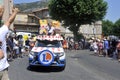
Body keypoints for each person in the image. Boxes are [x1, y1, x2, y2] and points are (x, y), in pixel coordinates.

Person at [0, 5, 19, 80]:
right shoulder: (1, 31)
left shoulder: (2, 31)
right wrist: (15, 12)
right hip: (2, 69)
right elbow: (9, 21)